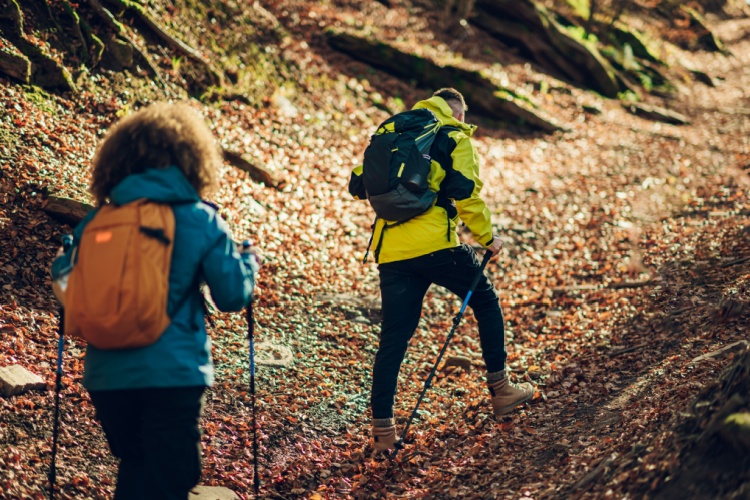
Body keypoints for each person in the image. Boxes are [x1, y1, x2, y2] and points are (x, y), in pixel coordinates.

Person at [50, 102, 260, 499]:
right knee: (171, 480)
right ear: (191, 159)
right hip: (172, 374)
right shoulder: (200, 218)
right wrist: (248, 263)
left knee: (136, 464)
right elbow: (232, 295)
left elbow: (68, 285)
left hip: (106, 376)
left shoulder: (96, 223)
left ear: (117, 162)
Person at [349, 88, 534, 453]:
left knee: (393, 339)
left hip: (393, 253)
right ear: (460, 113)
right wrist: (487, 237)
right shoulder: (452, 136)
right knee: (485, 300)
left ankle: (383, 434)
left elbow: (358, 183)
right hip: (437, 246)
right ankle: (502, 391)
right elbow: (466, 194)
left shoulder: (395, 132)